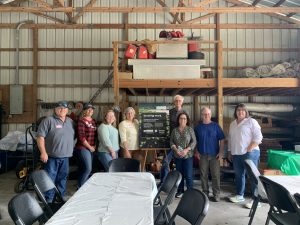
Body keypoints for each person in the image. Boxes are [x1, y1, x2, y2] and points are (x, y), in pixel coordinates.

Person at [37, 101, 75, 202]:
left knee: (62, 178)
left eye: (64, 108)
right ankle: (48, 200)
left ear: (67, 110)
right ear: (55, 109)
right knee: (50, 179)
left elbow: (74, 136)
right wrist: (43, 152)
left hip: (66, 156)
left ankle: (59, 198)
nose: (62, 110)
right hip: (52, 157)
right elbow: (40, 137)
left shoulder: (70, 122)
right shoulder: (48, 120)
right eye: (60, 108)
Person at [228, 103, 263, 208]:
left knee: (252, 176)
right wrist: (230, 151)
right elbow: (230, 139)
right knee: (239, 175)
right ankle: (240, 195)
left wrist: (250, 148)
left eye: (243, 110)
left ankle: (256, 200)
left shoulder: (251, 121)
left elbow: (258, 136)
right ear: (235, 112)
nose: (240, 112)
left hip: (250, 153)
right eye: (238, 110)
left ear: (246, 112)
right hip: (236, 154)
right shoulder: (232, 124)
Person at [194, 107, 225, 202]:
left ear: (210, 115)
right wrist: (196, 151)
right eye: (204, 114)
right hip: (202, 155)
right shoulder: (198, 128)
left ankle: (216, 194)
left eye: (208, 114)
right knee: (203, 175)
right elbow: (194, 141)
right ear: (201, 115)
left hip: (214, 155)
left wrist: (221, 152)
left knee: (215, 175)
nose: (206, 115)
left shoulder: (216, 126)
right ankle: (205, 193)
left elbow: (222, 139)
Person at [160, 95, 188, 184]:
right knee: (165, 162)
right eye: (176, 100)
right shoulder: (169, 112)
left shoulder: (185, 113)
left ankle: (179, 185)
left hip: (182, 144)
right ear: (174, 102)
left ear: (182, 102)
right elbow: (165, 125)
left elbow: (188, 127)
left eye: (180, 101)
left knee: (180, 165)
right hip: (170, 143)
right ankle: (163, 183)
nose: (178, 102)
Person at [170, 111, 196, 198]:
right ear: (178, 120)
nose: (183, 120)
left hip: (188, 156)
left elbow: (194, 141)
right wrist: (176, 149)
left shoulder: (190, 129)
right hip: (177, 156)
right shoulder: (174, 130)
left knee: (188, 175)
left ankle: (190, 192)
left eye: (184, 118)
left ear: (187, 120)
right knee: (179, 175)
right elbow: (171, 141)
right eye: (181, 118)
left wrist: (186, 150)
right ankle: (180, 191)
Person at [74, 103, 97, 188]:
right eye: (88, 109)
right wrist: (90, 147)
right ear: (84, 111)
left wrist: (94, 146)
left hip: (91, 148)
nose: (90, 110)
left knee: (84, 169)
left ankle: (80, 185)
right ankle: (81, 188)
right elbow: (81, 137)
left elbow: (95, 135)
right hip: (83, 148)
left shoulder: (93, 121)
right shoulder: (81, 121)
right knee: (88, 169)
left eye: (92, 109)